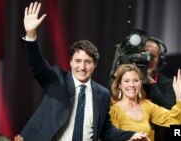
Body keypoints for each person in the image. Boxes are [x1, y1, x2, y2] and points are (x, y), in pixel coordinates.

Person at [19, 1, 150, 141]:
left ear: (95, 65)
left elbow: (106, 131)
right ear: (70, 62)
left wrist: (131, 135)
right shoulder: (57, 79)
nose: (82, 67)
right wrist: (31, 34)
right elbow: (37, 64)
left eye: (88, 62)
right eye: (77, 61)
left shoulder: (103, 94)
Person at [109, 64, 181, 141]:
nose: (132, 85)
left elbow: (176, 120)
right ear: (119, 85)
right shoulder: (113, 110)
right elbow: (111, 137)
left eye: (136, 80)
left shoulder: (147, 105)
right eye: (126, 81)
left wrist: (179, 95)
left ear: (140, 83)